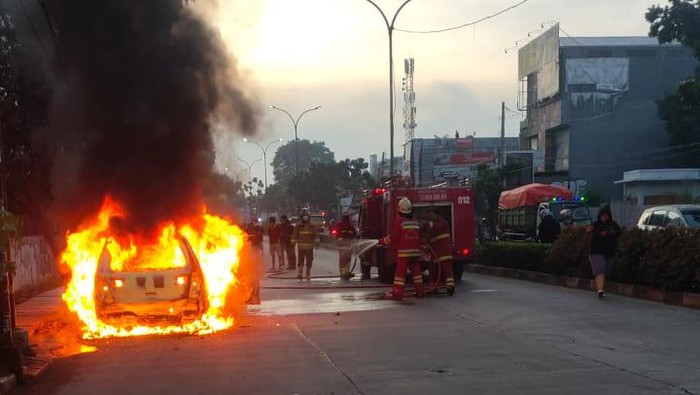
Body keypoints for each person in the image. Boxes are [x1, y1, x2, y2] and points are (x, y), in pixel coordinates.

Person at [380, 197, 423, 300]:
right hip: (416, 252)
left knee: (400, 274)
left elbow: (394, 236)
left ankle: (398, 293)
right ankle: (419, 291)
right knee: (417, 273)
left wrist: (383, 241)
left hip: (404, 252)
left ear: (400, 210)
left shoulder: (400, 221)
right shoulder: (415, 222)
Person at [587, 205, 620, 299]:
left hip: (609, 251)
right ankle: (600, 290)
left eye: (606, 216)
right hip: (596, 251)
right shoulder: (595, 225)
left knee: (606, 270)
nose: (604, 218)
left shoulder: (613, 225)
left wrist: (609, 233)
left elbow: (618, 232)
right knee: (599, 270)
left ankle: (600, 286)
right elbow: (589, 233)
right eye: (603, 215)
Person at [426, 208, 455, 295]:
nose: (430, 217)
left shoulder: (443, 223)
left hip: (444, 252)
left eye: (432, 215)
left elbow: (436, 228)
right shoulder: (433, 226)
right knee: (433, 271)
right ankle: (433, 288)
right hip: (435, 253)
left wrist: (427, 224)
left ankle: (450, 286)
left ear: (437, 214)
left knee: (447, 270)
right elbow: (428, 236)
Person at [292, 209, 319, 280]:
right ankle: (300, 273)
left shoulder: (312, 225)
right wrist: (293, 242)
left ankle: (308, 273)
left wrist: (317, 241)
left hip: (309, 246)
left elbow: (316, 234)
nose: (305, 217)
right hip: (301, 246)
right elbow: (294, 234)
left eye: (306, 216)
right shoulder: (298, 225)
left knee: (309, 260)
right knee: (300, 260)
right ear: (302, 216)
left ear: (308, 216)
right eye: (304, 216)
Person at [336, 213, 357, 280]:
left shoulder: (344, 224)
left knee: (345, 259)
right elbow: (354, 233)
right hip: (345, 245)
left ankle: (345, 273)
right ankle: (344, 272)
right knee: (345, 259)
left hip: (345, 245)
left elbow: (354, 233)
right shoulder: (350, 225)